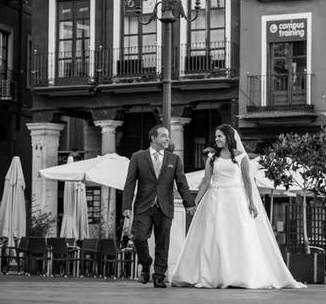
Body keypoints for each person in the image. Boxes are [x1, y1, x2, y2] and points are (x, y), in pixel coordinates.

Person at [170, 125, 304, 289]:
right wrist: (195, 201)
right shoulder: (212, 157)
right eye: (216, 136)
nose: (217, 139)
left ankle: (240, 274)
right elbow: (206, 181)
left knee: (237, 235)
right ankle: (214, 274)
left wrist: (252, 203)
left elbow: (248, 181)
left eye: (219, 136)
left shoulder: (241, 157)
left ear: (228, 137)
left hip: (235, 199)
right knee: (214, 236)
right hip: (215, 199)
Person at [122, 124, 196, 288]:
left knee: (163, 243)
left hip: (165, 206)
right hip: (143, 206)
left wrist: (188, 203)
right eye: (163, 136)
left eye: (168, 136)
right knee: (139, 237)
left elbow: (182, 182)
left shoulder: (174, 159)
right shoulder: (137, 157)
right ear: (153, 138)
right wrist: (126, 206)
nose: (167, 139)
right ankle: (146, 262)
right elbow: (129, 183)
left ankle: (159, 276)